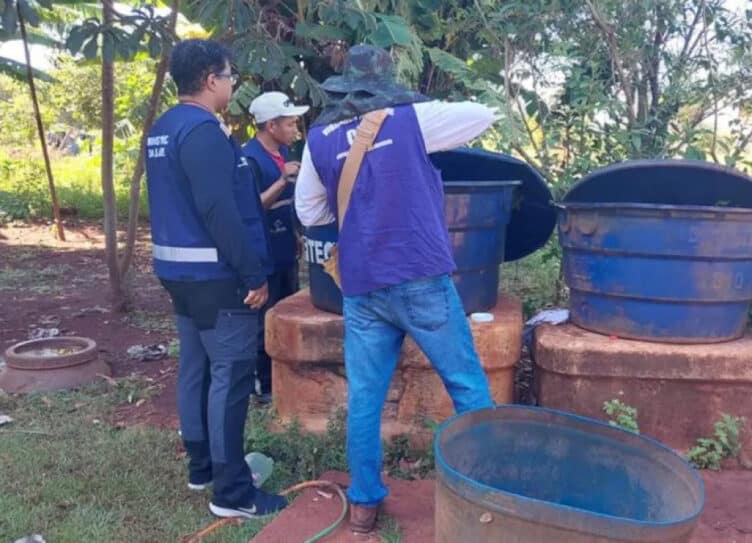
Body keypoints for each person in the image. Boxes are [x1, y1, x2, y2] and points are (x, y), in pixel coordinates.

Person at [294, 44, 500, 534]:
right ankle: (487, 495)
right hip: (420, 277)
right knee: (466, 384)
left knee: (365, 398)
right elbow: (484, 114)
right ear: (386, 84)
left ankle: (364, 505)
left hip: (362, 287)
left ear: (345, 86)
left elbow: (309, 212)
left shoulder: (319, 139)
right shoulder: (411, 120)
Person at [145, 39, 287, 519]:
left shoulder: (164, 128)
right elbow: (217, 210)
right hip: (215, 275)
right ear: (210, 79)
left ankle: (202, 465)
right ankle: (232, 493)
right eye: (229, 76)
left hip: (178, 272)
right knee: (231, 375)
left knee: (196, 367)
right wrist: (253, 273)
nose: (232, 84)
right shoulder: (203, 131)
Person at [242, 91, 309, 404]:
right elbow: (250, 207)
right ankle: (264, 385)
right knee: (263, 320)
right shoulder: (248, 159)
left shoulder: (283, 153)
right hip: (262, 252)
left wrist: (296, 234)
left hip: (284, 249)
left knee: (286, 310)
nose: (295, 129)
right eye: (290, 123)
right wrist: (282, 181)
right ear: (271, 125)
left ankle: (285, 379)